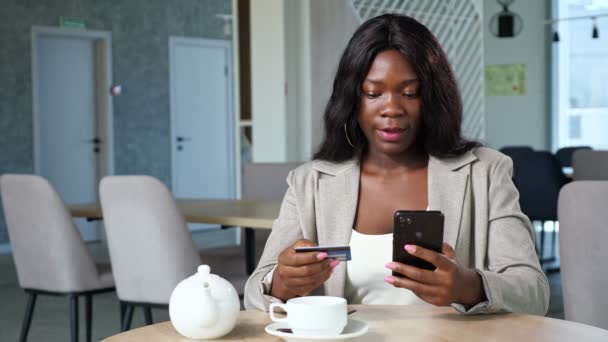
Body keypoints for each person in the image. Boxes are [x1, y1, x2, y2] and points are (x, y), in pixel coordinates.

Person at [244, 13, 549, 315]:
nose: (392, 108)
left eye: (409, 93)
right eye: (374, 93)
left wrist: (468, 287)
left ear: (431, 97)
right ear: (352, 100)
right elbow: (254, 293)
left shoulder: (485, 171)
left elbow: (534, 292)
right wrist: (284, 281)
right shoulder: (310, 182)